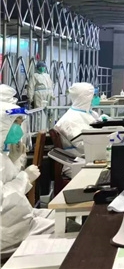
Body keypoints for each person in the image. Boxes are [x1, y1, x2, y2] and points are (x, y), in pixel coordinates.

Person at [0, 85, 54, 256]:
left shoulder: (2, 155)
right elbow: (3, 200)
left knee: (64, 217)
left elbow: (5, 182)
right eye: (15, 123)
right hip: (10, 233)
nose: (19, 128)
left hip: (18, 221)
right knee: (71, 228)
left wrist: (14, 162)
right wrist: (24, 178)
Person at [55, 83, 99, 176]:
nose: (96, 98)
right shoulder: (69, 119)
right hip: (76, 161)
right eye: (93, 95)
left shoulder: (90, 114)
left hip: (90, 158)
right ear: (85, 97)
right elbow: (81, 144)